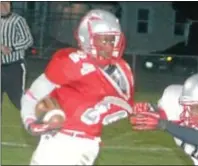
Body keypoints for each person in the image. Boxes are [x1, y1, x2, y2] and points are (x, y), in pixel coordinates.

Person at [20, 9, 134, 165]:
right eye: (104, 40)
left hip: (85, 143)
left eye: (112, 41)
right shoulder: (68, 61)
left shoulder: (121, 71)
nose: (110, 46)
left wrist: (104, 110)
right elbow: (32, 95)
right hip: (54, 138)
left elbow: (126, 107)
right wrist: (30, 123)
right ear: (87, 39)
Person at [130, 72, 198, 165]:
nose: (190, 112)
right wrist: (150, 108)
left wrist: (164, 125)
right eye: (188, 106)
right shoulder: (176, 100)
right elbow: (167, 112)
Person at [1, 1, 33, 110]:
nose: (4, 6)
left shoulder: (18, 20)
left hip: (13, 67)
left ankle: (31, 121)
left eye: (6, 3)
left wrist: (12, 48)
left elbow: (28, 40)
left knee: (18, 99)